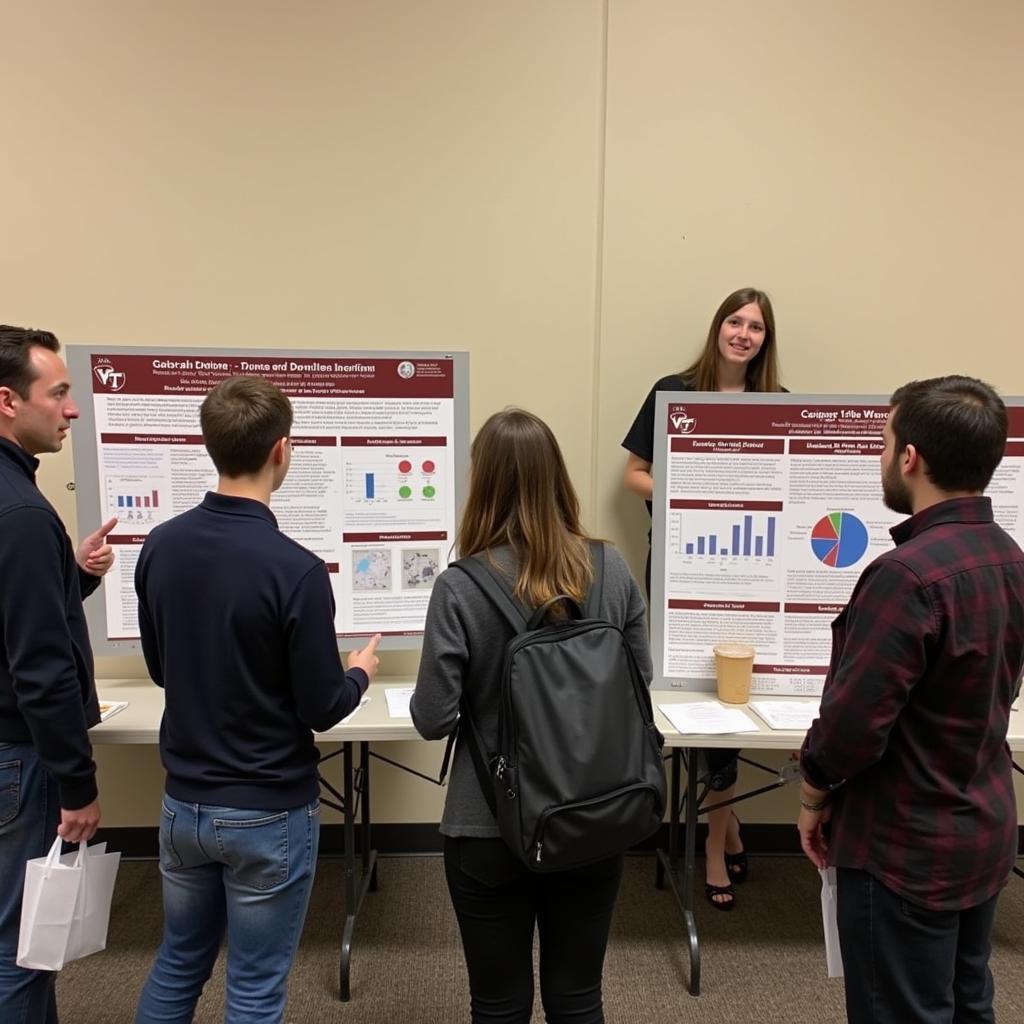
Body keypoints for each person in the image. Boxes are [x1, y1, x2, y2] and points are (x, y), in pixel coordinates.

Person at [132, 375, 382, 1024]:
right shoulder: (293, 568)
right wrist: (358, 673)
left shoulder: (161, 546)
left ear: (211, 446)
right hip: (268, 811)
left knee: (179, 960)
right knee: (253, 986)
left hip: (183, 806)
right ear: (283, 450)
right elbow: (322, 707)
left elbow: (162, 670)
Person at [411, 408, 651, 1024]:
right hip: (593, 812)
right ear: (558, 478)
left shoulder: (461, 586)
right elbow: (638, 681)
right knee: (578, 997)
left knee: (498, 1003)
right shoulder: (612, 567)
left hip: (486, 821)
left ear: (481, 483)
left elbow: (433, 718)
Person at [798, 375, 1024, 1024]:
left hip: (904, 848)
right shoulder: (1008, 557)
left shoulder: (906, 577)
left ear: (910, 458)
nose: (880, 455)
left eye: (884, 441)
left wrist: (812, 796)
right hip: (980, 832)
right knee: (965, 1005)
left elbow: (851, 729)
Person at [621, 287, 783, 910]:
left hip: (751, 574)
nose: (743, 334)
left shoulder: (777, 405)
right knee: (691, 689)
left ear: (766, 340)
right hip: (684, 566)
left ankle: (716, 837)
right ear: (718, 327)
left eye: (756, 328)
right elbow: (633, 474)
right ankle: (725, 825)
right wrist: (689, 488)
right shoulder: (673, 390)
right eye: (735, 322)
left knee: (735, 694)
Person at [0, 325, 117, 1024]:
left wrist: (71, 577)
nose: (72, 410)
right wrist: (78, 785)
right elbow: (40, 670)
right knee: (23, 947)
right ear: (8, 402)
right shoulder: (19, 514)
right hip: (22, 757)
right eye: (60, 393)